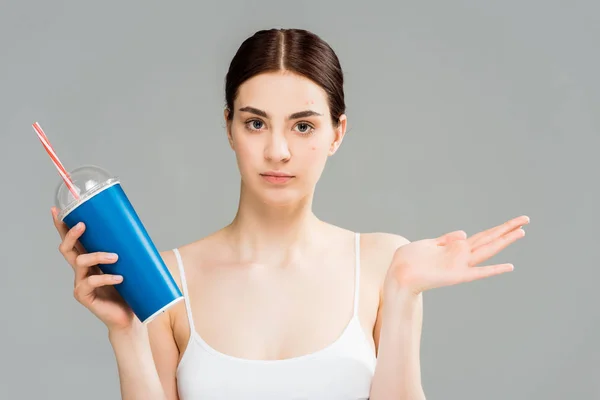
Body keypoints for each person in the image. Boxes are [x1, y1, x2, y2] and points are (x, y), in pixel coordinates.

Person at [51, 28, 529, 400]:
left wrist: (402, 293)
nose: (277, 150)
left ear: (337, 133)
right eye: (256, 123)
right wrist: (125, 333)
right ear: (229, 128)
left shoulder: (386, 263)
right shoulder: (164, 278)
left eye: (303, 126)